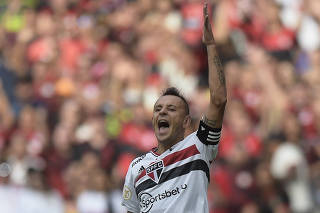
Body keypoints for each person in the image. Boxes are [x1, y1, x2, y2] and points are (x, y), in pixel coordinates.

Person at [121, 2, 227, 213]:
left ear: (186, 121)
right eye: (158, 109)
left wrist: (211, 46)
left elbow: (218, 99)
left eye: (171, 109)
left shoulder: (199, 147)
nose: (162, 112)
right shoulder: (136, 167)